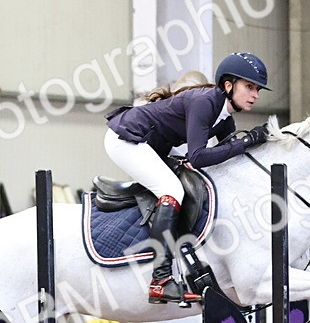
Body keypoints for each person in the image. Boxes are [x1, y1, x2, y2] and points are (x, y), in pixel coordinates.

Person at [103, 52, 271, 303]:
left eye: (257, 89)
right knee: (172, 190)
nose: (255, 95)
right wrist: (247, 142)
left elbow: (228, 156)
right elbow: (199, 157)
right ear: (228, 85)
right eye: (249, 87)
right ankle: (160, 280)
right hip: (127, 138)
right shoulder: (205, 103)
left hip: (152, 145)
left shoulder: (224, 117)